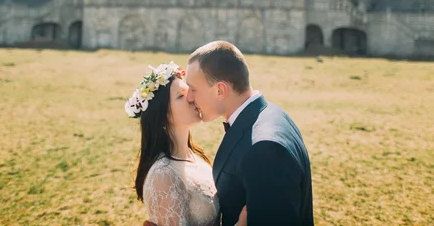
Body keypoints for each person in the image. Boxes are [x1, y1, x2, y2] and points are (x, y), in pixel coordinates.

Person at [185, 41, 314, 226]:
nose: (189, 97)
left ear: (220, 90)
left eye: (193, 89)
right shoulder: (271, 113)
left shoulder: (264, 150)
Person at [126, 62, 220, 226]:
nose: (191, 98)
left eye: (189, 91)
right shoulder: (163, 176)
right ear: (164, 115)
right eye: (181, 96)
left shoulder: (197, 157)